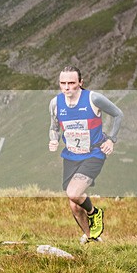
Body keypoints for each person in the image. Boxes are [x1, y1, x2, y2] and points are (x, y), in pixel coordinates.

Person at [48, 66, 123, 243]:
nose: (67, 87)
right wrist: (53, 139)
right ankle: (92, 238)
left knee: (74, 193)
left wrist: (111, 140)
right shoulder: (55, 103)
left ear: (80, 82)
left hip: (94, 153)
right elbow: (54, 127)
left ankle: (94, 212)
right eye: (63, 83)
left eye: (71, 83)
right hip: (71, 155)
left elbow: (118, 114)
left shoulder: (93, 98)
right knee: (74, 205)